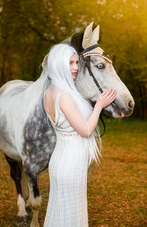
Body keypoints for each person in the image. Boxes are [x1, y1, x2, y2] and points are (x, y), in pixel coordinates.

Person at [43, 44, 116, 227]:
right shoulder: (64, 95)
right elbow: (86, 130)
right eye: (70, 63)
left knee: (60, 212)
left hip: (60, 159)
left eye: (76, 62)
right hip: (71, 163)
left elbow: (73, 117)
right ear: (59, 64)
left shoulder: (49, 93)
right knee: (72, 216)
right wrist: (99, 105)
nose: (75, 67)